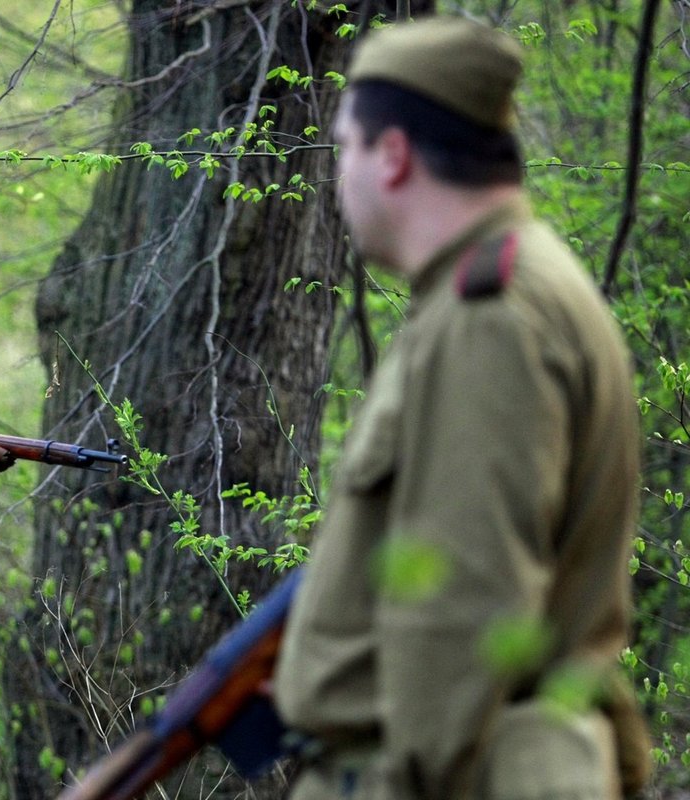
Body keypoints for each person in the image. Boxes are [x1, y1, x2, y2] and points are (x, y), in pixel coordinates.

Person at [270, 16, 650, 800]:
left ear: (396, 155)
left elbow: (465, 609)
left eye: (346, 148)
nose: (338, 176)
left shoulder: (493, 313)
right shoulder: (499, 291)